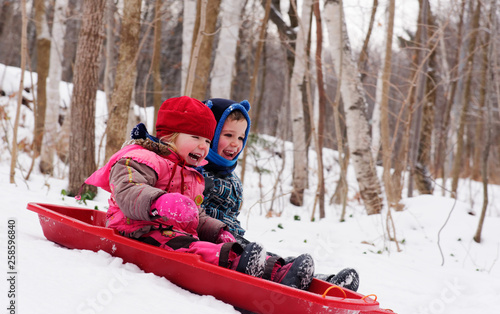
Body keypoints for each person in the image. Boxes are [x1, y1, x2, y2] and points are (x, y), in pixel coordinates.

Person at [83, 96, 266, 278]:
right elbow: (127, 191)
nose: (203, 146)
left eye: (208, 141)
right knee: (191, 248)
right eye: (196, 137)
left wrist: (218, 231)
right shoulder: (141, 158)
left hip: (172, 234)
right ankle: (232, 263)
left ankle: (275, 270)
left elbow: (197, 216)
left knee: (198, 244)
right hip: (137, 230)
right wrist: (159, 202)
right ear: (171, 136)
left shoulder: (190, 173)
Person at [200, 98, 359, 291]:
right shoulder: (196, 172)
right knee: (257, 258)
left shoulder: (232, 179)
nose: (236, 143)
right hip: (211, 242)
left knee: (265, 256)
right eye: (228, 135)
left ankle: (321, 282)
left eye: (241, 138)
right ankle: (284, 275)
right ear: (210, 134)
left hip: (233, 239)